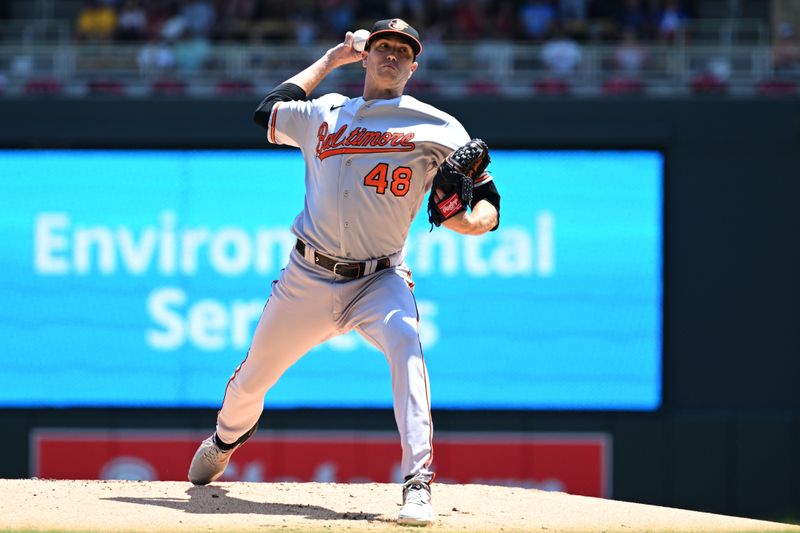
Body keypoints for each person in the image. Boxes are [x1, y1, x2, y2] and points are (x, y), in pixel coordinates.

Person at [187, 18, 501, 526]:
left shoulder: (439, 128)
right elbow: (265, 112)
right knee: (250, 381)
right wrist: (332, 59)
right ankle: (225, 439)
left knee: (407, 347)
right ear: (367, 53)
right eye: (383, 46)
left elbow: (490, 205)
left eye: (403, 49)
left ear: (414, 66)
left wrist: (465, 222)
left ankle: (417, 485)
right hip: (307, 277)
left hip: (380, 279)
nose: (392, 55)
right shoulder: (326, 111)